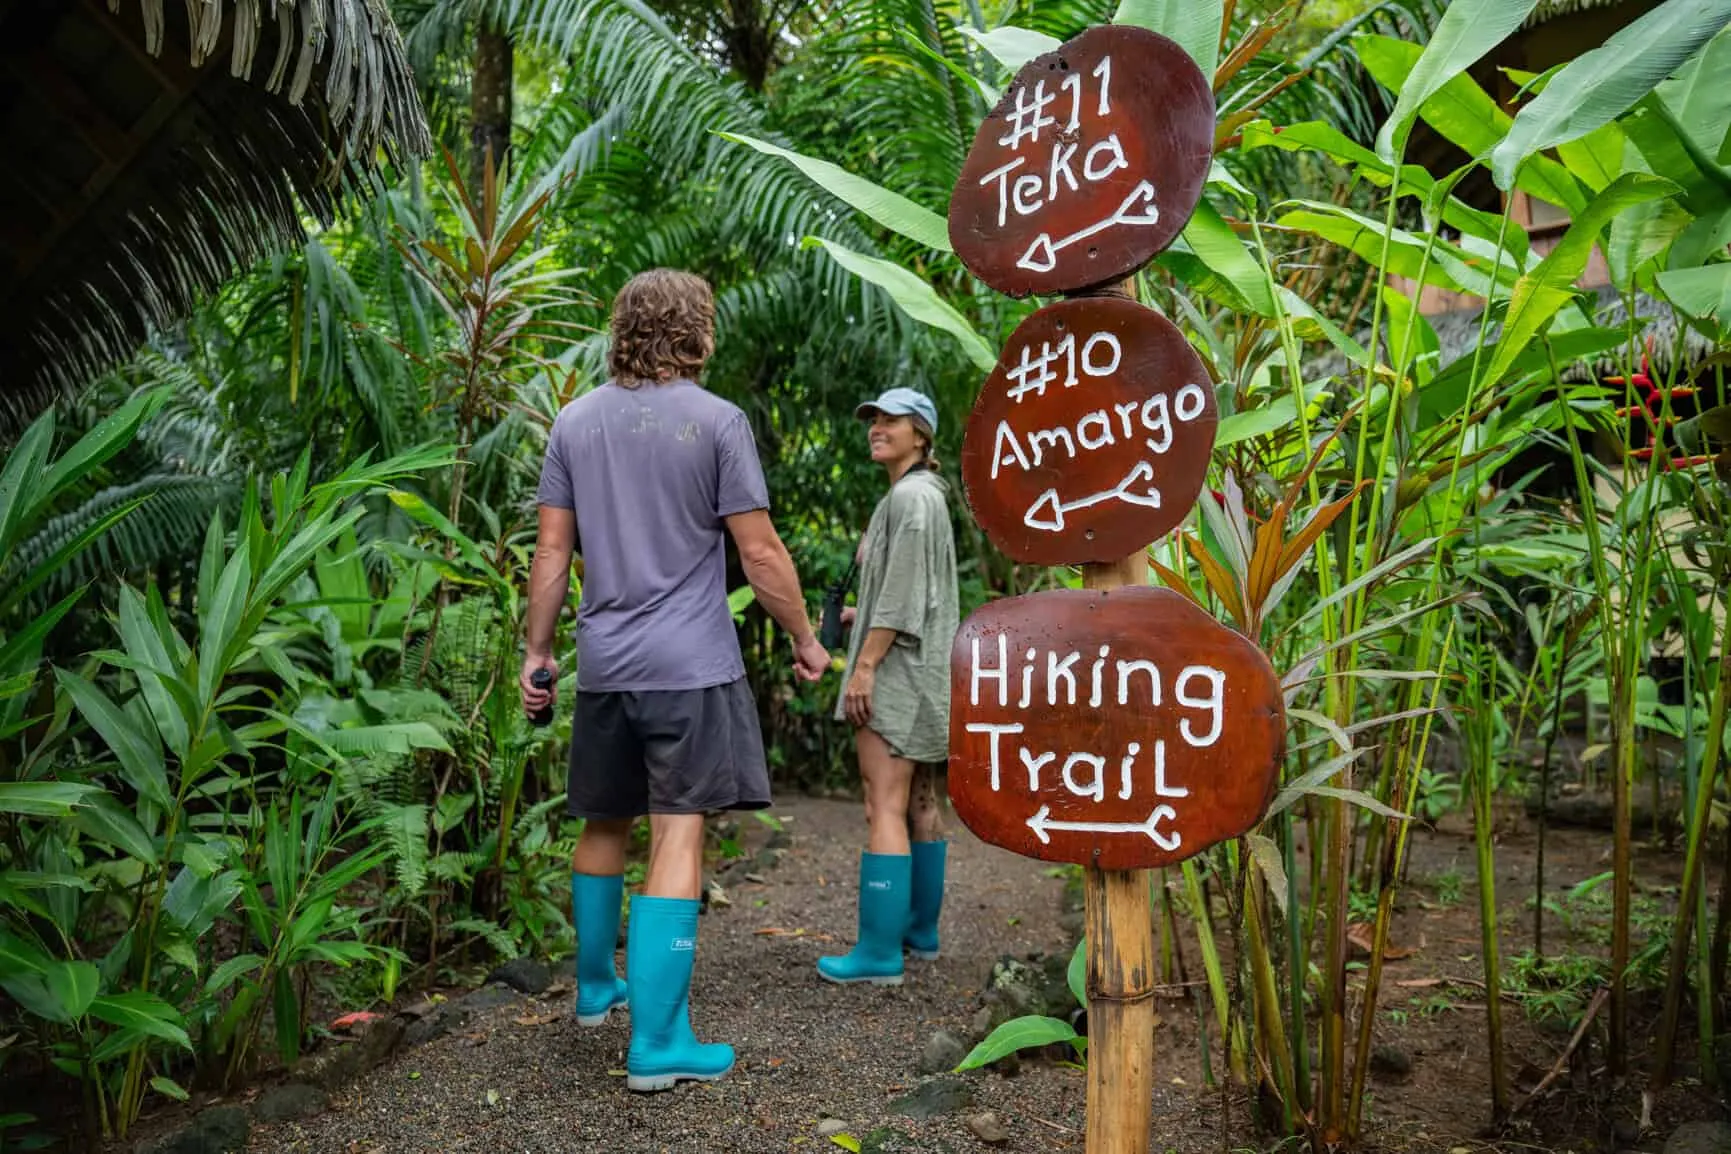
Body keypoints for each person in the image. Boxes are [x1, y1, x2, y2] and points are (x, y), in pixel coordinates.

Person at [521, 268, 830, 1093]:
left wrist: (537, 651)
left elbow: (553, 553)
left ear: (622, 327)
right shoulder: (718, 423)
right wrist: (803, 636)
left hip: (606, 666)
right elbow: (759, 553)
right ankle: (658, 1043)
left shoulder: (574, 421)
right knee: (678, 833)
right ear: (697, 329)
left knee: (602, 820)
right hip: (688, 668)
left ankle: (595, 989)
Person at [818, 387, 960, 987]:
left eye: (892, 420)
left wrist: (866, 666)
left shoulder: (910, 499)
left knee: (884, 804)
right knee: (922, 802)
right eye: (873, 418)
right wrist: (859, 617)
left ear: (921, 435)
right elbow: (910, 591)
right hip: (926, 670)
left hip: (898, 673)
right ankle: (917, 934)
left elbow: (902, 600)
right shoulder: (920, 497)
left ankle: (878, 953)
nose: (877, 427)